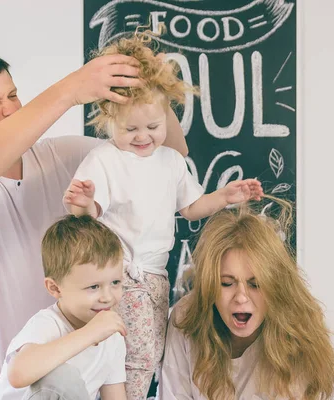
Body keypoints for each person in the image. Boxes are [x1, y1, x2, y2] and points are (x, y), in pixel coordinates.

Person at [0, 50, 189, 400]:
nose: (11, 110)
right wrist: (70, 90)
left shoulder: (65, 157)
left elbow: (168, 157)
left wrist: (150, 87)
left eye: (13, 96)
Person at [63, 34, 264, 400]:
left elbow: (190, 208)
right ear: (109, 122)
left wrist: (223, 197)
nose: (143, 137)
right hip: (120, 272)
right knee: (136, 354)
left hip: (156, 275)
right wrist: (83, 202)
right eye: (131, 129)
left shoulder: (170, 161)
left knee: (151, 351)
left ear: (165, 119)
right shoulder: (106, 160)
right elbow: (86, 218)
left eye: (153, 128)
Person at [160, 199, 334, 400]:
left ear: (276, 287)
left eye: (255, 285)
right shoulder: (186, 317)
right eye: (227, 283)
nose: (241, 297)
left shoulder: (299, 335)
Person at [0, 215, 127, 400]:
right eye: (94, 287)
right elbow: (18, 374)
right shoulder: (47, 324)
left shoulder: (112, 339)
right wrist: (90, 333)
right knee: (60, 376)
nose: (108, 297)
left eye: (115, 282)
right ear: (55, 288)